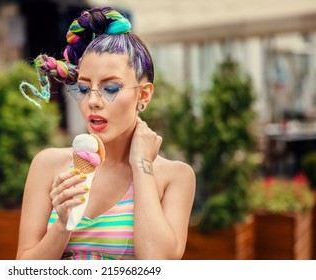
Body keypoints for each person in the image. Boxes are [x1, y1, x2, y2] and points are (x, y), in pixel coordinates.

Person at [16, 6, 195, 260]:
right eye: (84, 88)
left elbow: (158, 264)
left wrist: (141, 166)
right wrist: (63, 222)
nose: (93, 101)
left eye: (110, 88)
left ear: (143, 95)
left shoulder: (175, 177)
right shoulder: (48, 165)